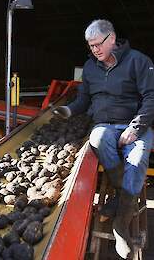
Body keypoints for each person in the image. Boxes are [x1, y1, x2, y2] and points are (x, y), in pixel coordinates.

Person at [53, 19, 154, 259]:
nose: (95, 49)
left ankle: (120, 223)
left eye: (98, 44)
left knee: (138, 157)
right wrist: (68, 111)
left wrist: (136, 128)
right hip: (105, 126)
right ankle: (123, 196)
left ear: (111, 38)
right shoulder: (90, 68)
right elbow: (83, 101)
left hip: (134, 124)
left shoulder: (138, 62)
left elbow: (151, 97)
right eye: (91, 46)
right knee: (97, 138)